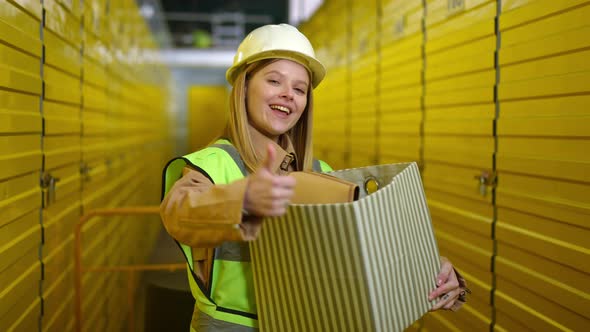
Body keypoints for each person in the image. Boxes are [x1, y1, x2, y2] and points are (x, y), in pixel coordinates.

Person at [160, 23, 469, 331]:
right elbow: (180, 212)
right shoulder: (211, 164)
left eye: (299, 89)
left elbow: (363, 250)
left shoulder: (320, 173)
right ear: (244, 86)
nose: (288, 95)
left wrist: (429, 271)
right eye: (274, 81)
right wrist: (244, 200)